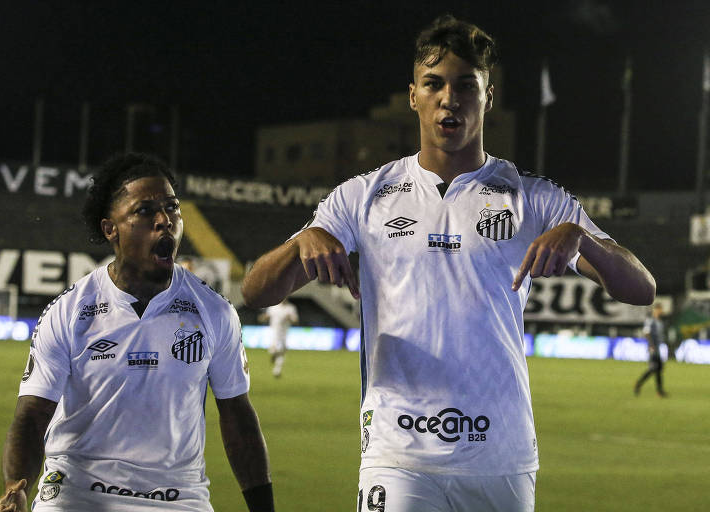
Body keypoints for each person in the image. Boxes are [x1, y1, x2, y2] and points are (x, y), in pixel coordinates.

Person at [241, 15, 655, 512]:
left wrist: (584, 239)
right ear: (413, 95)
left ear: (488, 96)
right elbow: (256, 291)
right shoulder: (363, 197)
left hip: (500, 454)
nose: (449, 98)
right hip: (398, 456)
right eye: (434, 84)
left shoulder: (535, 199)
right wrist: (302, 241)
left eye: (466, 85)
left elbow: (641, 289)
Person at [0, 153, 274, 512]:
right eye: (145, 211)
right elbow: (32, 416)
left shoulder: (214, 311)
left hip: (177, 498)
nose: (165, 221)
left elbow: (237, 413)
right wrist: (16, 486)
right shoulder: (69, 311)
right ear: (111, 229)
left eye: (172, 208)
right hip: (77, 492)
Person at [258, 298, 299, 378]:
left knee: (282, 351)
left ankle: (277, 371)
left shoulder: (290, 308)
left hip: (284, 334)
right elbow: (268, 316)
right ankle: (273, 355)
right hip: (274, 333)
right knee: (274, 350)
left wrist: (290, 318)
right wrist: (262, 318)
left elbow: (296, 321)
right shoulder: (273, 307)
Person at [635, 303, 668, 397]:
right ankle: (638, 384)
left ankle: (659, 391)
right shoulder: (651, 321)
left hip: (658, 348)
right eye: (659, 309)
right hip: (652, 348)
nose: (660, 311)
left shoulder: (660, 322)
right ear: (655, 310)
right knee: (654, 368)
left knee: (658, 369)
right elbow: (646, 332)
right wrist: (651, 345)